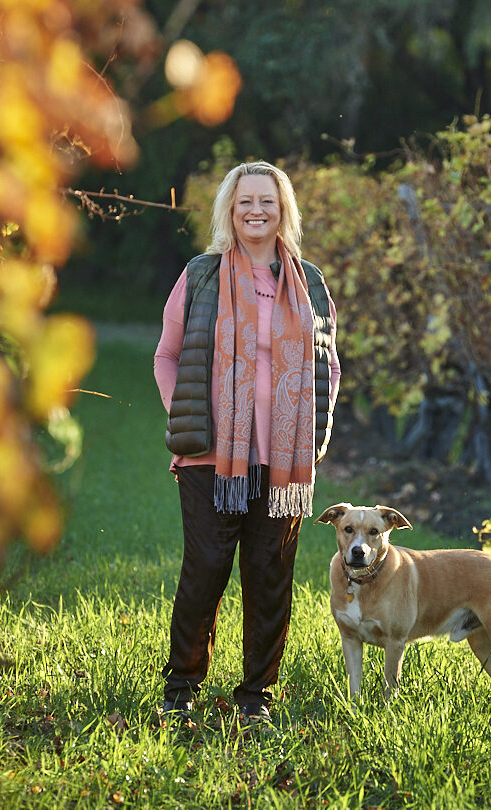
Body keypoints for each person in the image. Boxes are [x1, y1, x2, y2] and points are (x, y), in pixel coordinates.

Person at [153, 161, 341, 726]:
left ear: (284, 211)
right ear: (229, 212)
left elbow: (328, 367)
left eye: (267, 201)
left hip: (281, 465)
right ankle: (182, 689)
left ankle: (257, 697)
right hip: (210, 457)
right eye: (244, 203)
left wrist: (310, 437)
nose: (256, 211)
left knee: (269, 575)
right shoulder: (202, 275)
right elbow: (167, 354)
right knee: (205, 570)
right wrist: (189, 416)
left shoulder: (308, 283)